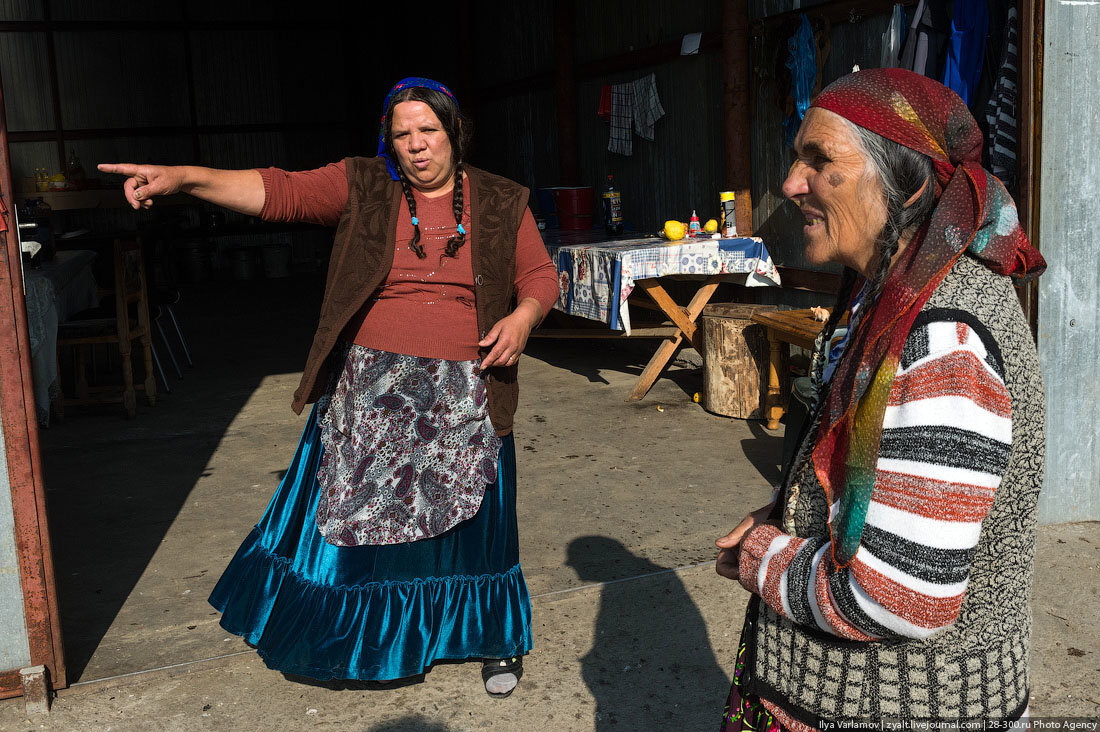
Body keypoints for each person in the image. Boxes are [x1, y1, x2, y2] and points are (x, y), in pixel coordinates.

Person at [99, 77, 560, 698]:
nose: (417, 146)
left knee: (472, 537)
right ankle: (366, 641)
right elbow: (277, 192)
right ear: (388, 141)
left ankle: (489, 640)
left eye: (429, 131)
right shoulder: (365, 187)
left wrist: (522, 318)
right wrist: (183, 177)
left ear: (455, 132)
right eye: (403, 135)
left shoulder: (502, 200)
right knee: (360, 533)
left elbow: (539, 275)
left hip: (466, 391)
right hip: (370, 392)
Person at [714, 68, 1046, 728]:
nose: (790, 185)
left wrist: (765, 557)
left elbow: (898, 597)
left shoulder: (943, 341)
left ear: (909, 183)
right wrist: (793, 511)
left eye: (820, 162)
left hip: (899, 710)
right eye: (796, 159)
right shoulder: (894, 287)